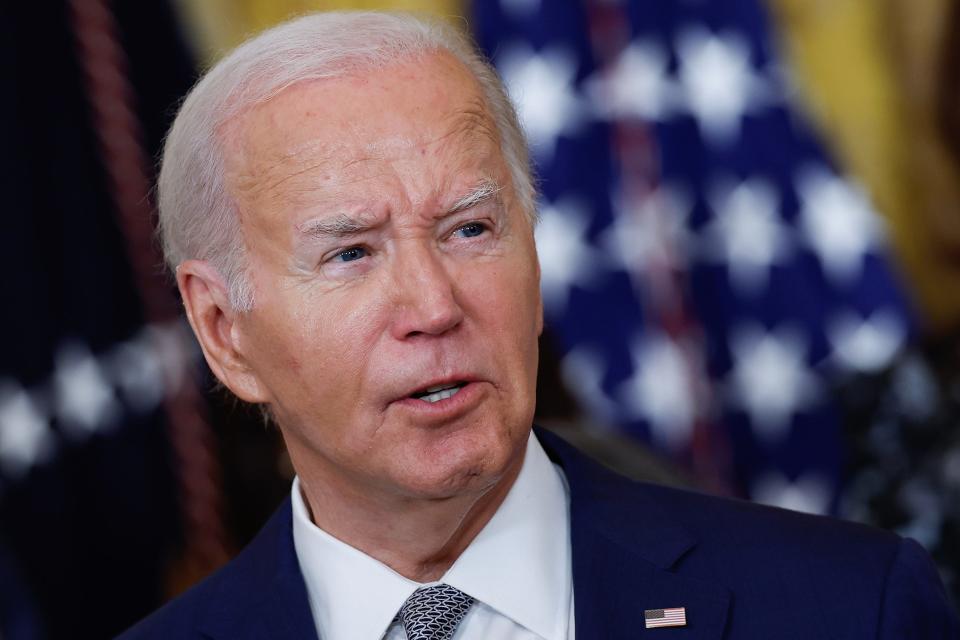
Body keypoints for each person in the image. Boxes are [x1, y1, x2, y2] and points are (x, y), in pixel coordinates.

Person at [120, 11, 958, 640]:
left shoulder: (851, 608)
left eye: (470, 230)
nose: (435, 305)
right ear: (224, 331)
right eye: (351, 254)